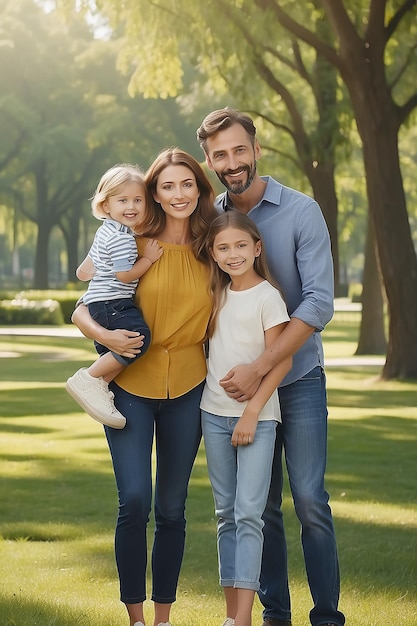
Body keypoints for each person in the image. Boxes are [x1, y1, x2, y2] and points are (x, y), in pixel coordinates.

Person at [197, 107, 345, 626]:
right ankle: (274, 615)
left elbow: (319, 305)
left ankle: (327, 616)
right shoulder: (208, 215)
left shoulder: (302, 211)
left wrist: (262, 366)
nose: (232, 162)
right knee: (259, 508)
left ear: (257, 150)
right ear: (209, 160)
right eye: (220, 154)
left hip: (297, 378)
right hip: (236, 394)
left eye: (240, 150)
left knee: (308, 499)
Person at [71, 148, 218, 626]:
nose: (177, 195)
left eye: (186, 184)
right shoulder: (131, 241)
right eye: (167, 186)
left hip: (190, 390)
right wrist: (105, 336)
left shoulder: (213, 244)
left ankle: (162, 619)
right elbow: (82, 306)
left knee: (172, 507)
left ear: (199, 189)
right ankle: (134, 618)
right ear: (153, 193)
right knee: (133, 500)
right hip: (130, 387)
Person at [201, 212, 291, 626]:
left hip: (257, 419)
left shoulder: (268, 296)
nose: (232, 254)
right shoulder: (215, 293)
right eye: (223, 247)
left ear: (257, 248)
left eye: (240, 246)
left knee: (249, 513)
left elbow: (282, 360)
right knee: (225, 514)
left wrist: (252, 413)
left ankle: (244, 619)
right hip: (212, 414)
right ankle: (230, 616)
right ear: (212, 253)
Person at [66, 164, 163, 429]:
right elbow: (125, 276)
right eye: (123, 200)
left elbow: (84, 271)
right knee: (138, 340)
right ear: (106, 205)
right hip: (114, 303)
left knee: (122, 349)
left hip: (99, 303)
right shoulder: (123, 239)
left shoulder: (105, 231)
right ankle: (89, 378)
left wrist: (88, 273)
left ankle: (99, 385)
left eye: (137, 200)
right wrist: (148, 260)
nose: (131, 206)